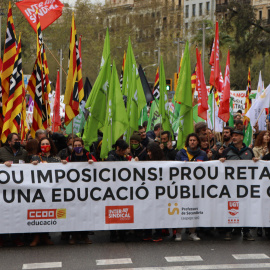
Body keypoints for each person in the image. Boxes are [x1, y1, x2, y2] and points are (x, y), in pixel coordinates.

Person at [220, 129, 259, 241]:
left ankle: (246, 232)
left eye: (236, 136)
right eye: (233, 136)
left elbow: (253, 165)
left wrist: (256, 161)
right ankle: (228, 230)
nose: (233, 138)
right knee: (230, 207)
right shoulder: (227, 151)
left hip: (245, 187)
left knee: (245, 208)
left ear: (242, 137)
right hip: (230, 186)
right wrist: (221, 160)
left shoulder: (249, 151)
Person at [175, 133, 208, 241]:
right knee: (181, 209)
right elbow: (174, 168)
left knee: (194, 209)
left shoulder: (203, 154)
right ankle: (178, 233)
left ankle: (192, 232)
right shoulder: (181, 153)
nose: (192, 142)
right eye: (190, 140)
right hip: (183, 186)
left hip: (197, 186)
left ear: (197, 142)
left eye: (194, 140)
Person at [30, 137, 61, 247]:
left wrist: (64, 164)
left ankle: (45, 236)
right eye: (42, 144)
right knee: (37, 213)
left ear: (51, 145)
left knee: (47, 213)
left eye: (47, 143)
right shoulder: (34, 157)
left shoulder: (56, 158)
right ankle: (36, 236)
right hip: (37, 191)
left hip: (51, 191)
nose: (45, 145)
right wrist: (31, 165)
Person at [62, 138, 93, 244]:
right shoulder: (69, 157)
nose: (77, 147)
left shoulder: (89, 156)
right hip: (73, 190)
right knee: (73, 213)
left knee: (85, 213)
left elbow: (98, 167)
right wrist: (64, 164)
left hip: (86, 189)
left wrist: (92, 164)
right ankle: (74, 236)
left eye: (79, 145)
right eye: (75, 145)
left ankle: (85, 236)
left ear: (83, 146)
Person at [0, 133, 28, 247]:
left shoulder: (24, 153)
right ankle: (3, 238)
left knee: (18, 214)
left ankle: (16, 238)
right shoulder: (1, 151)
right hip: (4, 189)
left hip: (19, 190)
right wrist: (2, 165)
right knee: (4, 214)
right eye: (16, 140)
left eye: (19, 140)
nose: (18, 142)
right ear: (9, 142)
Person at [107, 139, 129, 242]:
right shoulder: (111, 158)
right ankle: (113, 233)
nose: (125, 152)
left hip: (122, 188)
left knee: (123, 209)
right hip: (113, 188)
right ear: (118, 149)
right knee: (113, 209)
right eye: (123, 150)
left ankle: (122, 232)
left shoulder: (124, 158)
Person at [143, 142, 165, 242]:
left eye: (150, 152)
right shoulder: (147, 161)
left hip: (159, 192)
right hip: (149, 192)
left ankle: (158, 233)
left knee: (158, 213)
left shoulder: (163, 162)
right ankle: (147, 233)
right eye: (147, 152)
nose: (148, 154)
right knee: (148, 212)